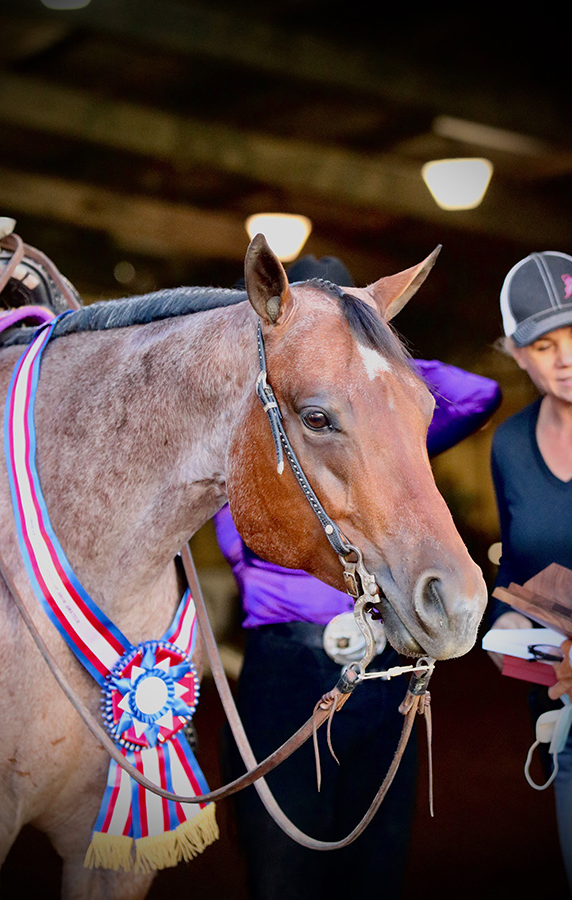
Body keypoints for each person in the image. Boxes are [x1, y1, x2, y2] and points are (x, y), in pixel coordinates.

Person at [216, 253, 502, 900]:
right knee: (282, 879)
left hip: (381, 668)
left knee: (376, 876)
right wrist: (318, 365)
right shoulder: (256, 435)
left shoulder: (378, 435)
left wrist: (367, 368)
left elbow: (479, 392)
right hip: (287, 668)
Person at [488, 250, 572, 892]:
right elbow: (515, 565)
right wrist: (508, 621)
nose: (565, 359)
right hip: (562, 707)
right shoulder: (511, 445)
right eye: (544, 345)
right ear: (516, 353)